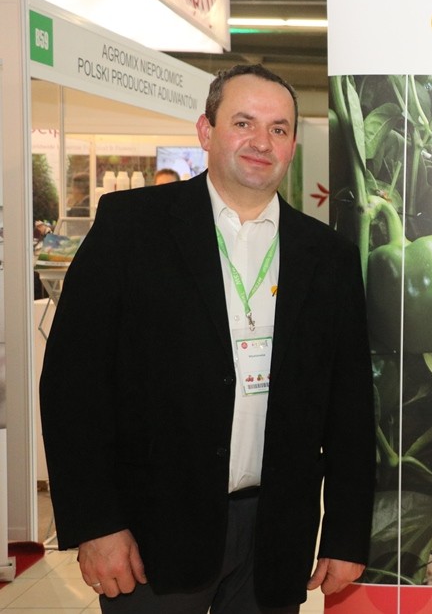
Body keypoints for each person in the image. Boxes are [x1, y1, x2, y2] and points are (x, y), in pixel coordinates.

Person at [40, 64, 376, 614]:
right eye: (244, 123)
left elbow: (351, 409)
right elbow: (72, 385)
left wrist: (345, 535)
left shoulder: (329, 257)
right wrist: (96, 524)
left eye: (278, 128)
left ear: (292, 145)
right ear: (206, 131)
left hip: (275, 537)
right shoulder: (131, 228)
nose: (261, 141)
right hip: (151, 536)